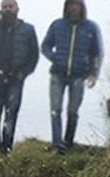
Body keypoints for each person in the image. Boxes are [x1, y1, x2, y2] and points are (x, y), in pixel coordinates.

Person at [0, 0, 40, 154]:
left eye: (10, 6)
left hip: (15, 80)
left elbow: (34, 55)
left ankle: (5, 149)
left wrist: (23, 73)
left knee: (10, 116)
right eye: (4, 7)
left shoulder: (28, 29)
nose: (7, 10)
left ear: (17, 9)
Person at [41, 0, 102, 153]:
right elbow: (45, 45)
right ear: (67, 7)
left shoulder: (91, 28)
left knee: (73, 111)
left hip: (78, 76)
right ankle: (57, 144)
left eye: (77, 5)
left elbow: (96, 53)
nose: (74, 8)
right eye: (71, 5)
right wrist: (54, 57)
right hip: (58, 74)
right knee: (55, 109)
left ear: (82, 8)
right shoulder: (57, 25)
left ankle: (67, 143)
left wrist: (93, 73)